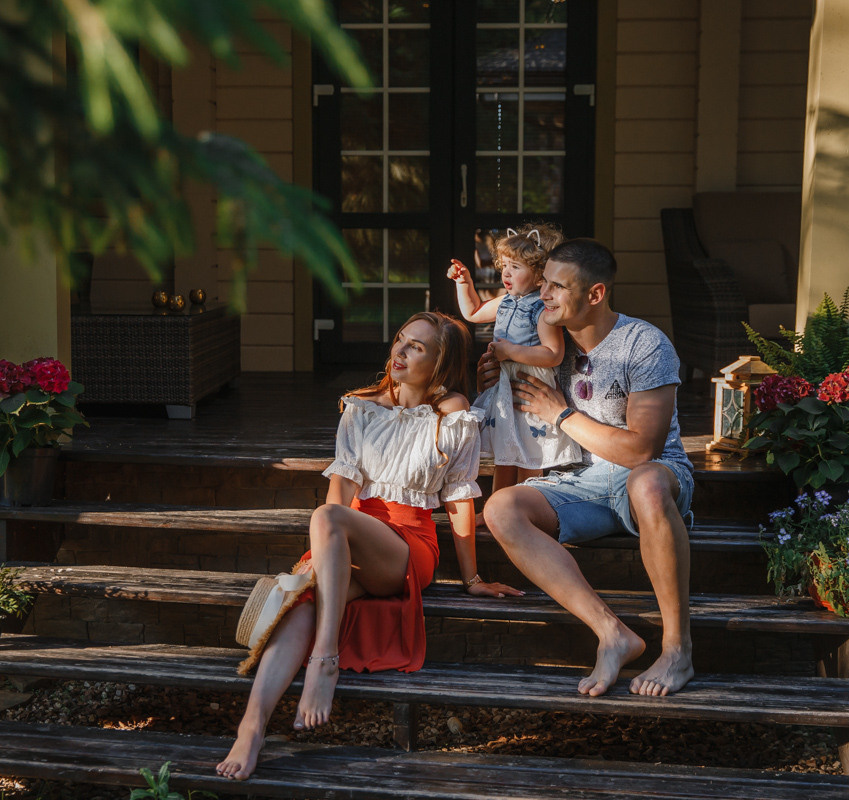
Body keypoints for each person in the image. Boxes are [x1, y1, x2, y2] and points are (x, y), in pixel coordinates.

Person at [217, 311, 521, 781]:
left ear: (440, 363)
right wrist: (320, 560)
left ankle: (324, 661)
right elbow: (340, 490)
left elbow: (459, 497)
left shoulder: (454, 414)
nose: (400, 352)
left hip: (407, 547)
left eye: (416, 347)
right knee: (303, 602)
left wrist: (472, 578)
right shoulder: (360, 406)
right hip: (347, 537)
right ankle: (251, 730)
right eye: (400, 339)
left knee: (326, 519)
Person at [480, 238, 696, 698]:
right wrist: (493, 377)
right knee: (500, 508)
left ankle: (677, 650)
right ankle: (611, 633)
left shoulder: (643, 344)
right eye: (544, 283)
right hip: (579, 480)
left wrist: (561, 414)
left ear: (595, 293)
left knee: (646, 482)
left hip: (653, 474)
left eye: (558, 286)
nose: (544, 294)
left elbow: (642, 451)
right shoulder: (541, 342)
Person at [447, 224, 580, 503]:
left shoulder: (542, 310)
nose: (506, 273)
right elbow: (473, 312)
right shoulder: (506, 302)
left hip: (529, 390)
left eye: (516, 267)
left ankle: (526, 505)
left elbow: (553, 354)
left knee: (529, 454)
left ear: (540, 275)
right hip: (505, 388)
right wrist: (464, 283)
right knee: (505, 456)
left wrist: (511, 351)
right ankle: (497, 506)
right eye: (504, 265)